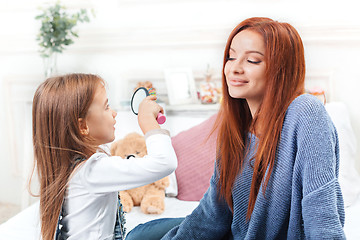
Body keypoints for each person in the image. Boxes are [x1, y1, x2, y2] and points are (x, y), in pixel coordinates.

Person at [126, 17, 345, 239]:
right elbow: (213, 213)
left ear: (281, 70)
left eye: (252, 60)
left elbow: (322, 212)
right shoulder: (236, 128)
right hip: (231, 232)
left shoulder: (307, 112)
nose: (234, 68)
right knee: (139, 234)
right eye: (231, 57)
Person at [30, 73, 177, 240]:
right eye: (107, 107)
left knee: (146, 231)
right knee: (188, 224)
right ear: (83, 126)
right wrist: (147, 121)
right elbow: (165, 163)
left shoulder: (73, 167)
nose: (114, 113)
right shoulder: (93, 171)